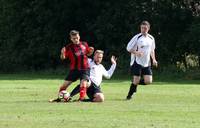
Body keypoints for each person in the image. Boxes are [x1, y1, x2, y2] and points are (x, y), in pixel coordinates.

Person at [49, 30, 94, 102]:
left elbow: (87, 54)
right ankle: (60, 99)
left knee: (83, 82)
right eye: (74, 38)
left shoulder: (84, 44)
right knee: (64, 86)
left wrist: (90, 52)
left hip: (85, 68)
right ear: (71, 39)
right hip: (74, 69)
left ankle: (81, 99)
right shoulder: (69, 47)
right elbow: (63, 58)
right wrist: (62, 54)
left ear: (79, 36)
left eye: (77, 37)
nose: (76, 39)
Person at [126, 21, 158, 100]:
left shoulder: (151, 38)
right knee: (136, 80)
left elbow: (152, 50)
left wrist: (154, 59)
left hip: (147, 63)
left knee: (148, 81)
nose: (143, 30)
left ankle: (134, 83)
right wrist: (136, 52)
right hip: (137, 62)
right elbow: (128, 48)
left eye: (145, 28)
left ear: (148, 28)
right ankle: (129, 96)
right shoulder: (137, 37)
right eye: (142, 28)